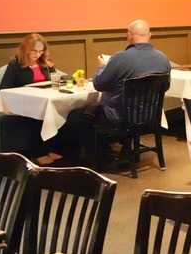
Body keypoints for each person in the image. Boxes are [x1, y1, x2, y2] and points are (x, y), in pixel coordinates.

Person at [65, 20, 171, 154]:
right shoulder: (162, 58)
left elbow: (99, 85)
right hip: (150, 117)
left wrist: (102, 66)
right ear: (150, 35)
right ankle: (123, 150)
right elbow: (165, 87)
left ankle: (102, 154)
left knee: (75, 117)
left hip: (119, 118)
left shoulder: (120, 58)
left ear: (129, 35)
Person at [0, 33, 63, 165]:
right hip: (23, 104)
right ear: (26, 49)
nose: (37, 55)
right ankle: (38, 153)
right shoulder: (15, 65)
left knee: (60, 112)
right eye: (34, 51)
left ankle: (52, 149)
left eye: (40, 51)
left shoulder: (44, 63)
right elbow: (4, 88)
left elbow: (57, 79)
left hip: (42, 100)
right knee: (38, 116)